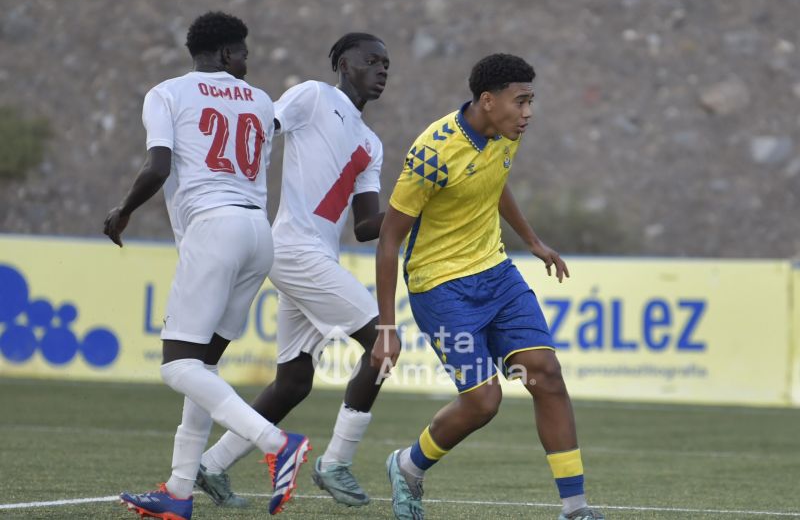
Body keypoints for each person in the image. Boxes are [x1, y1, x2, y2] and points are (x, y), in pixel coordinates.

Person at [372, 53, 605, 520]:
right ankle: (407, 466)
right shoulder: (432, 152)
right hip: (441, 287)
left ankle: (575, 509)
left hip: (496, 275)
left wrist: (533, 241)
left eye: (531, 102)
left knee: (546, 374)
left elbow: (494, 182)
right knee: (484, 400)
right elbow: (389, 240)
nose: (528, 113)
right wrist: (386, 329)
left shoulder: (505, 135)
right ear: (487, 100)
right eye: (521, 102)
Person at [104, 11, 310, 519]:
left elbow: (158, 166)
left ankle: (274, 442)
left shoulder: (167, 93)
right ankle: (178, 490)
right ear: (223, 54)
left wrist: (123, 211)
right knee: (203, 366)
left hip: (214, 229)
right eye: (242, 52)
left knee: (177, 365)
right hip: (258, 234)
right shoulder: (261, 100)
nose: (247, 61)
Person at [194, 32, 389, 508]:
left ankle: (211, 466)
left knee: (295, 381)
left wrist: (417, 208)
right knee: (383, 346)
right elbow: (264, 128)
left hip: (316, 256)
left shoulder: (371, 143)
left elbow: (366, 225)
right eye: (372, 60)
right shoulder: (314, 95)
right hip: (294, 248)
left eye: (387, 64)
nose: (383, 69)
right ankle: (336, 462)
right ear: (344, 63)